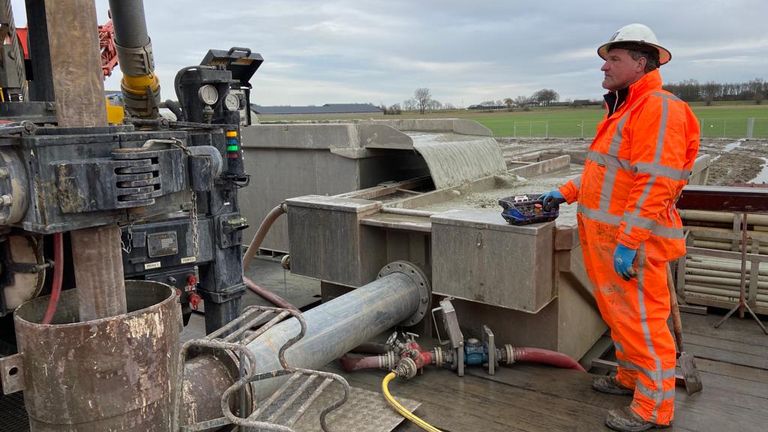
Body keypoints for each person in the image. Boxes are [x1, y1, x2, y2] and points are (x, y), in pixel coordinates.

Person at [540, 23, 700, 431]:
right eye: (605, 59)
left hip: (635, 245)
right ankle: (630, 377)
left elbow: (656, 181)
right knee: (622, 319)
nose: (604, 68)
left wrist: (629, 241)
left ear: (640, 62)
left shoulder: (658, 109)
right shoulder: (624, 109)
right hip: (610, 243)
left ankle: (652, 409)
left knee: (646, 327)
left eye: (614, 59)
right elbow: (608, 175)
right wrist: (565, 192)